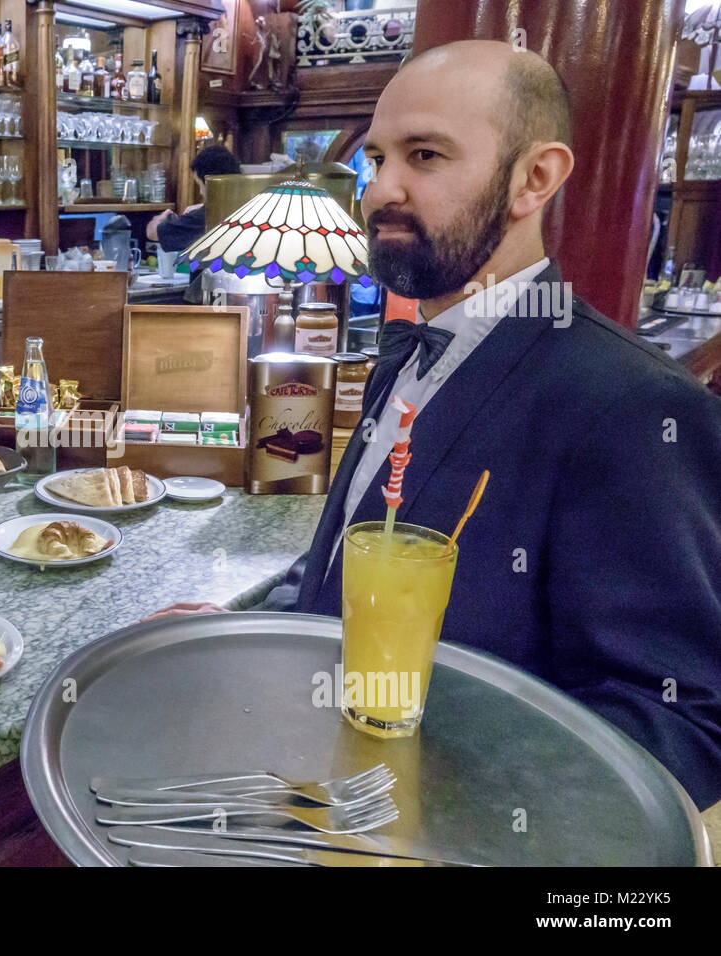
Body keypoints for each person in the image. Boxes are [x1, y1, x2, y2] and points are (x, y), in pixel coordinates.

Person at [148, 40, 721, 808]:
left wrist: (432, 791)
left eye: (424, 156)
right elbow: (342, 573)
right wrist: (246, 631)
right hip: (313, 791)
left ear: (535, 178)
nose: (382, 189)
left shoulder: (632, 405)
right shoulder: (405, 352)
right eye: (376, 159)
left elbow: (680, 717)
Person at [146, 145, 241, 303]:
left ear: (209, 183)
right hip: (245, 298)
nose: (201, 192)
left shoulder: (205, 216)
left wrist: (163, 216)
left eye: (199, 185)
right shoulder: (249, 208)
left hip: (211, 302)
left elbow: (152, 232)